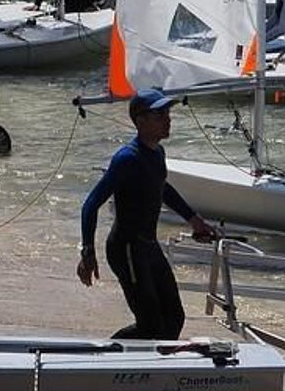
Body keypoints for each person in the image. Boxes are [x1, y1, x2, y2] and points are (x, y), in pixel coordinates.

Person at [78, 89, 216, 340]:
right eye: (159, 114)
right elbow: (90, 204)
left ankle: (152, 371)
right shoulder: (127, 159)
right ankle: (103, 360)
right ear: (140, 120)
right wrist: (88, 251)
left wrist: (194, 220)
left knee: (174, 318)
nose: (168, 119)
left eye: (168, 113)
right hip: (127, 249)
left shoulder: (157, 153)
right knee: (150, 324)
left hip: (148, 246)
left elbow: (161, 187)